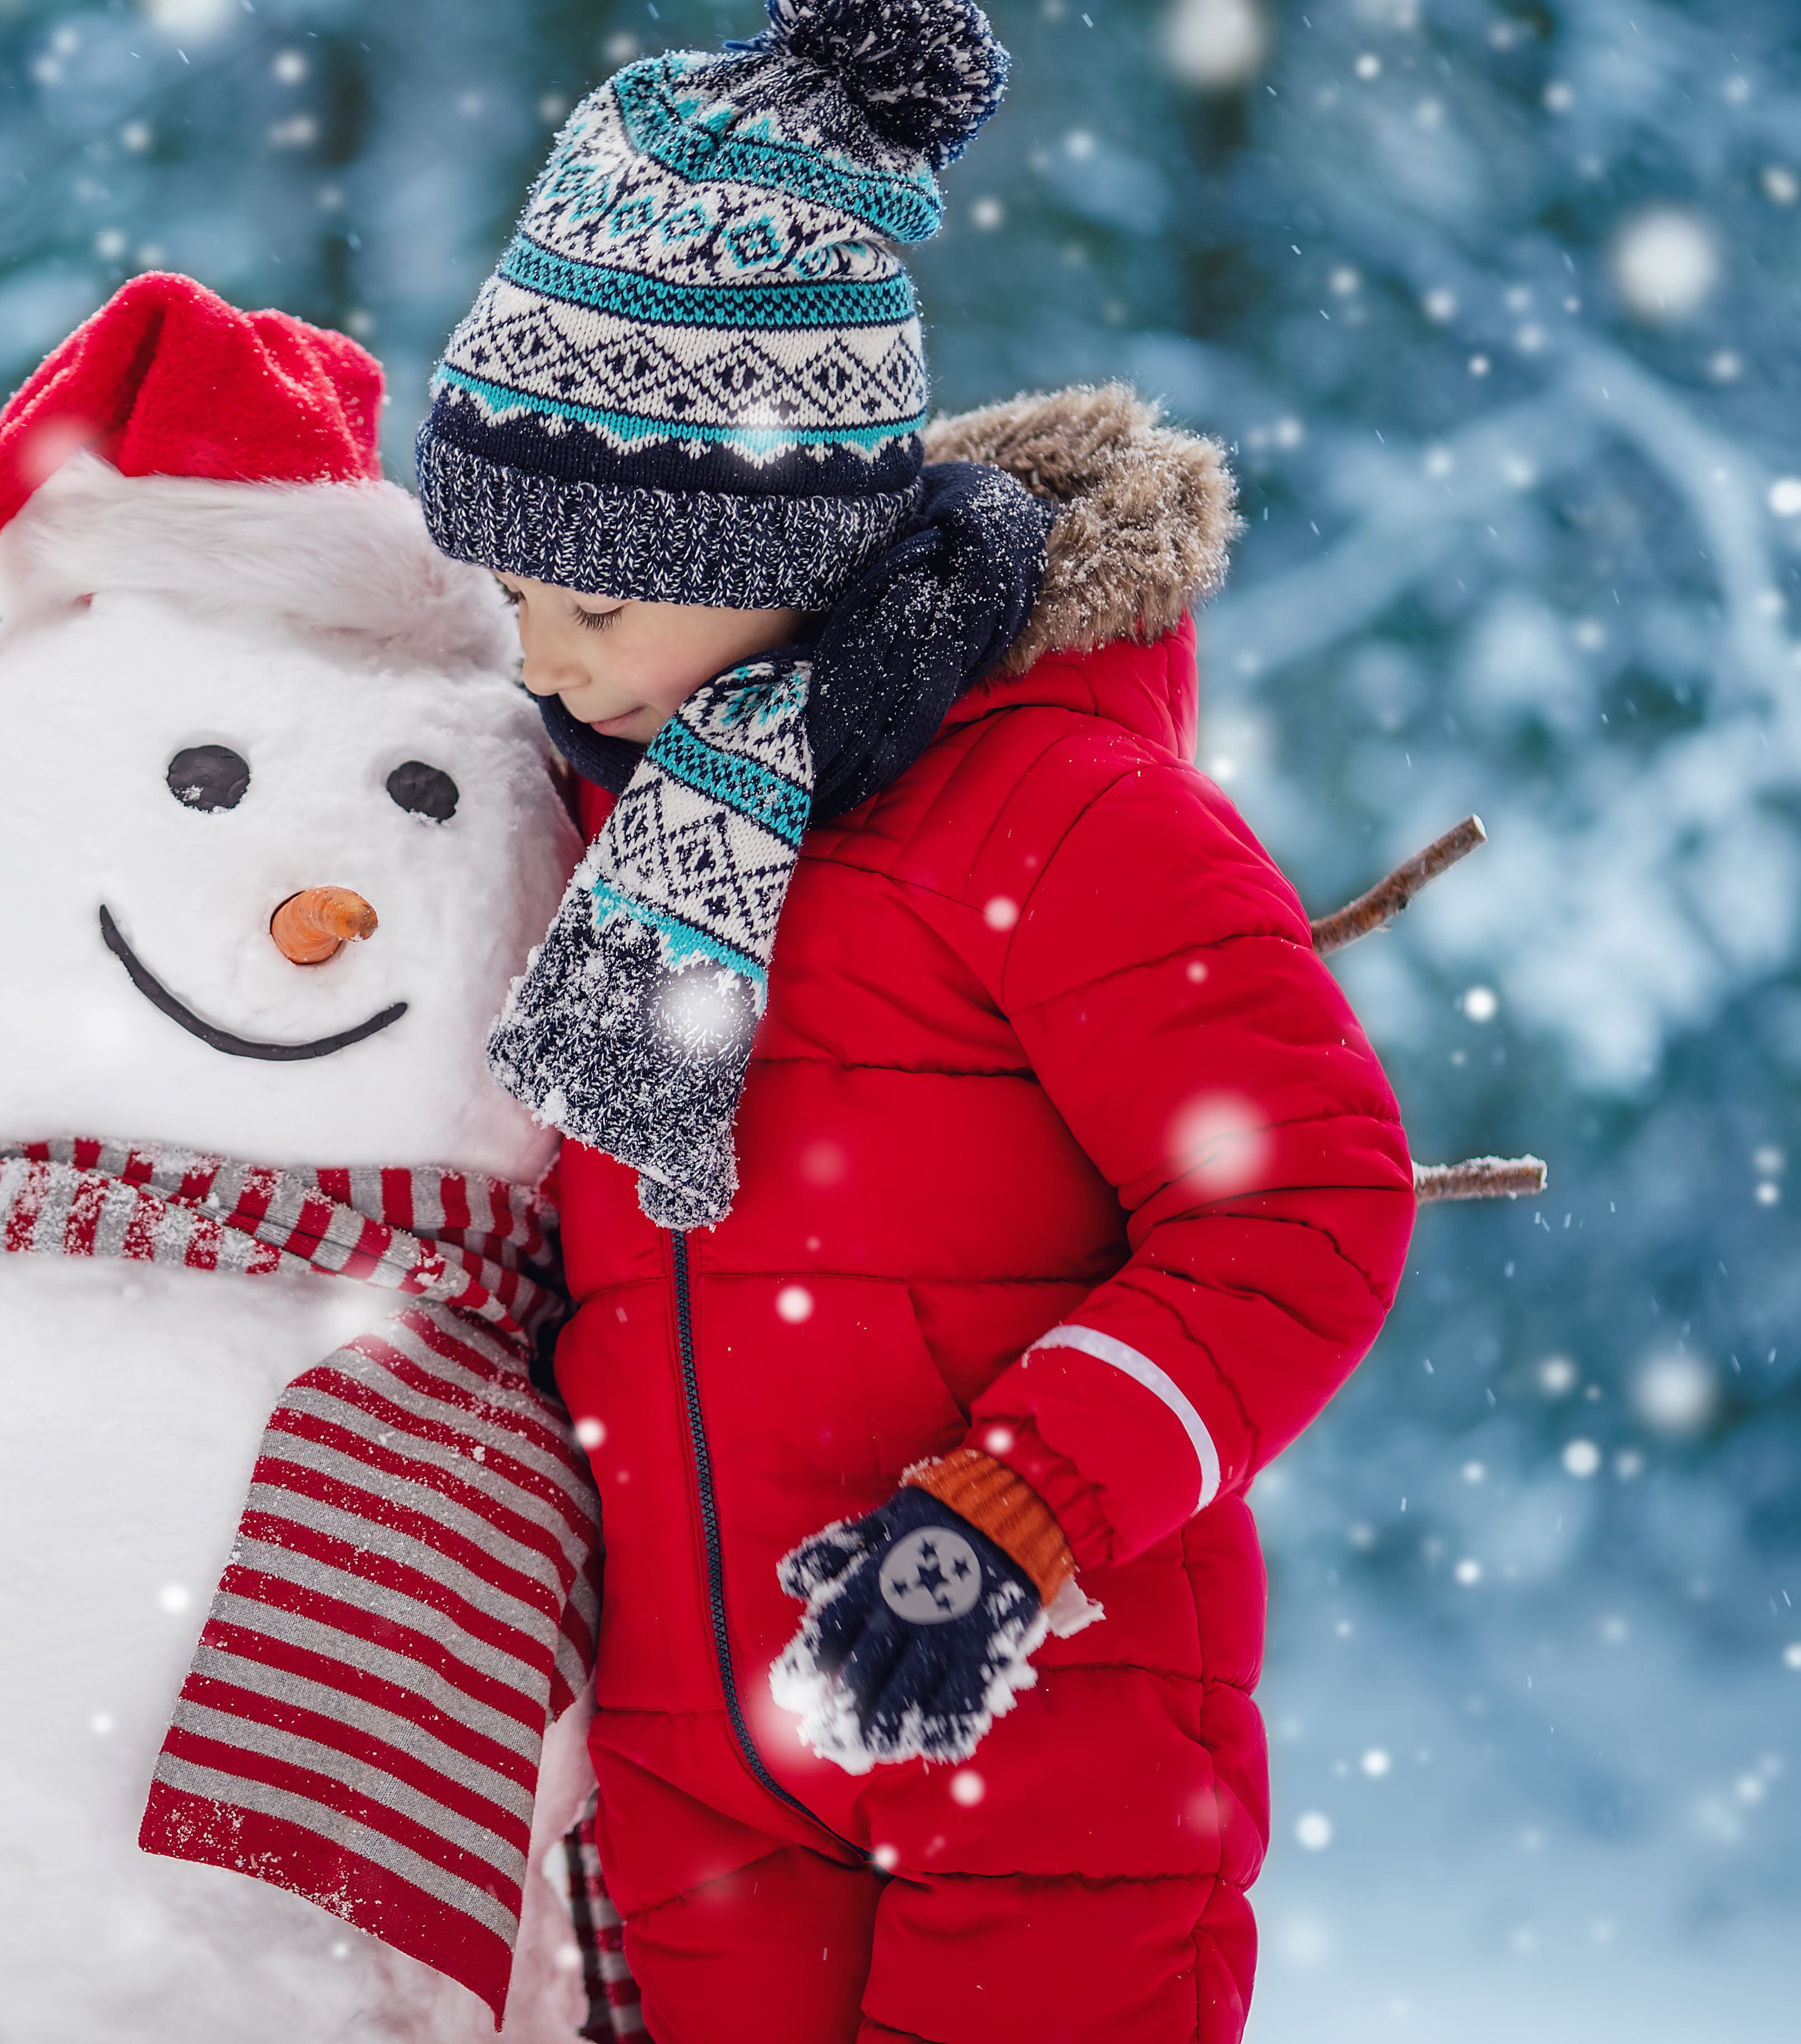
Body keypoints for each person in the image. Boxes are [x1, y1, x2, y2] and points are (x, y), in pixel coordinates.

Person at [412, 6, 1416, 2041]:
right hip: (701, 1766)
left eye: (592, 608)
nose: (538, 660)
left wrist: (1020, 1514)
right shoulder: (613, 830)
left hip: (1046, 1732)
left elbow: (1305, 1199)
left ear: (767, 542)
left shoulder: (1062, 811)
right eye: (509, 600)